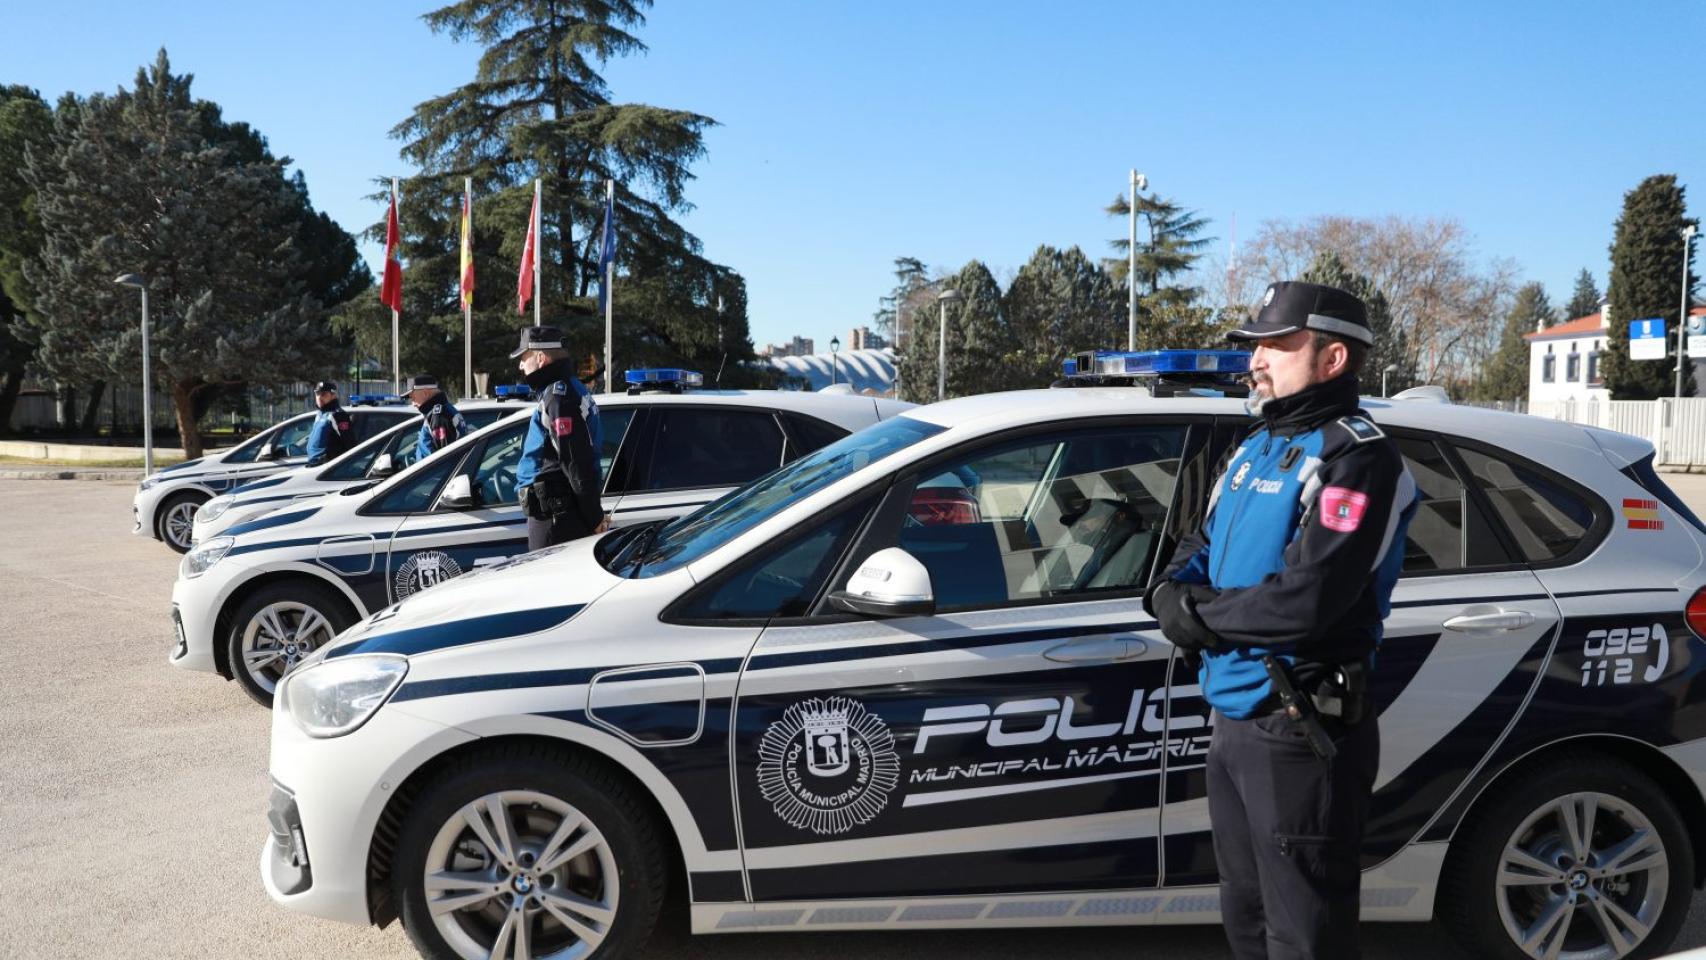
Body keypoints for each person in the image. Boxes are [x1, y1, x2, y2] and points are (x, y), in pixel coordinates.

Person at [1145, 281, 1418, 960]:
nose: (1256, 360)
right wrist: (1169, 594)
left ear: (1332, 360)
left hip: (1300, 725)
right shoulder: (1256, 446)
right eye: (1255, 345)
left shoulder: (1358, 458)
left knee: (1304, 931)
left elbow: (1310, 596)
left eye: (1276, 344)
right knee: (1247, 912)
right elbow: (1199, 546)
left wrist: (1195, 617)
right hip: (1235, 719)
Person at [510, 326, 605, 550]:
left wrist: (594, 517)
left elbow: (575, 461)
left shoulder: (558, 397)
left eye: (524, 358)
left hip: (556, 519)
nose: (521, 365)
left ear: (541, 358)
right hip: (560, 514)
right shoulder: (567, 389)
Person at [403, 375, 467, 463]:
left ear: (425, 393)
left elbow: (444, 459)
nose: (413, 403)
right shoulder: (442, 410)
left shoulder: (438, 416)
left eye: (413, 398)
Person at [303, 381, 355, 466]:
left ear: (333, 395)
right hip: (314, 464)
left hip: (327, 467)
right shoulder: (320, 414)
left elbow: (350, 444)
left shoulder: (338, 414)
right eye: (317, 394)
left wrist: (329, 458)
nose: (319, 397)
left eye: (323, 394)